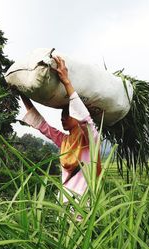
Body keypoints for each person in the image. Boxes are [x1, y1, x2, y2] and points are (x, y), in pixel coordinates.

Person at [20, 56, 101, 204]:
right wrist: (22, 93)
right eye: (61, 115)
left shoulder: (91, 140)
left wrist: (66, 81)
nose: (62, 118)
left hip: (83, 206)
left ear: (76, 116)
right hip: (64, 204)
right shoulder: (65, 141)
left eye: (67, 115)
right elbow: (41, 124)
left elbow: (85, 119)